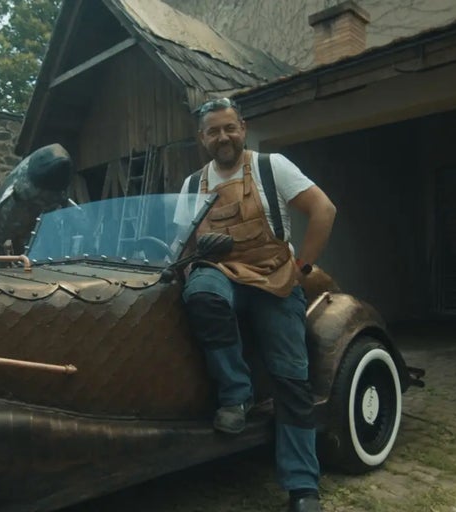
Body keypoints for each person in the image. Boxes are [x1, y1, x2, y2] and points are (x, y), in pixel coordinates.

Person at [174, 98, 336, 512]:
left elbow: (323, 210)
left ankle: (302, 487)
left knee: (292, 378)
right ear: (202, 138)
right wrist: (186, 267)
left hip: (273, 276)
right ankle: (237, 394)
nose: (223, 137)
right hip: (220, 273)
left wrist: (302, 268)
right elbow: (184, 245)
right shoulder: (191, 185)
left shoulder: (271, 166)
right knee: (200, 293)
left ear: (243, 128)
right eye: (214, 131)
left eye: (229, 128)